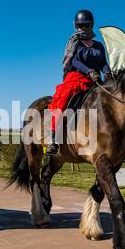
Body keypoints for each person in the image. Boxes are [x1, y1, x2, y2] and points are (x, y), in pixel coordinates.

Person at [46, 10, 112, 156]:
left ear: (91, 25)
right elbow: (75, 61)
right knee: (63, 100)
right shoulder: (74, 43)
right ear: (76, 26)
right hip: (76, 77)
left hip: (94, 80)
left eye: (86, 25)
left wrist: (107, 72)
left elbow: (103, 62)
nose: (83, 28)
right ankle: (53, 138)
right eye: (80, 25)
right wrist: (89, 71)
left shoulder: (98, 45)